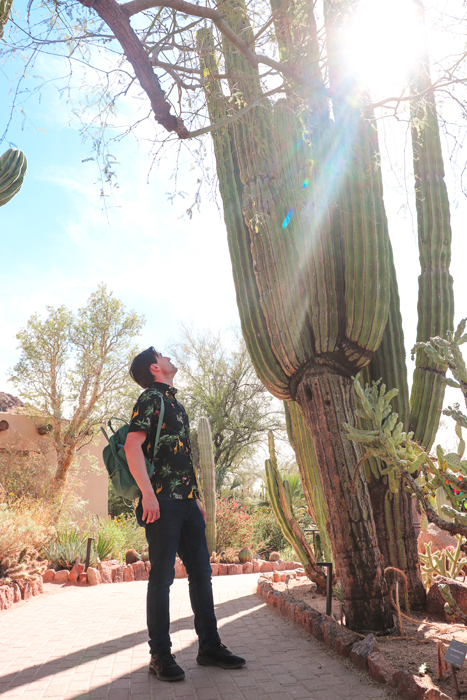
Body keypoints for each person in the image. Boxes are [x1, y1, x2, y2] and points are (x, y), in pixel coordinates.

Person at [125, 346, 246, 682]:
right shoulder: (150, 398)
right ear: (154, 367)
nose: (169, 358)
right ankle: (160, 656)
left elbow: (179, 456)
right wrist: (149, 495)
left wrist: (196, 499)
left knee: (201, 575)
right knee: (161, 579)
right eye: (163, 356)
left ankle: (209, 646)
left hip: (187, 503)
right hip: (162, 502)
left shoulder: (175, 402)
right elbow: (132, 447)